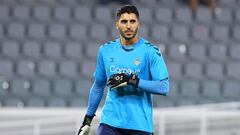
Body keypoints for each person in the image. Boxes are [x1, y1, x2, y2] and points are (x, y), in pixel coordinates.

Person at [77, 5, 169, 135]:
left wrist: (131, 81)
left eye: (132, 21)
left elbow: (163, 87)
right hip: (110, 124)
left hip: (140, 125)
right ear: (117, 24)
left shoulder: (150, 51)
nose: (128, 26)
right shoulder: (106, 51)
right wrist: (87, 120)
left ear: (139, 24)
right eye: (124, 21)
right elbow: (98, 86)